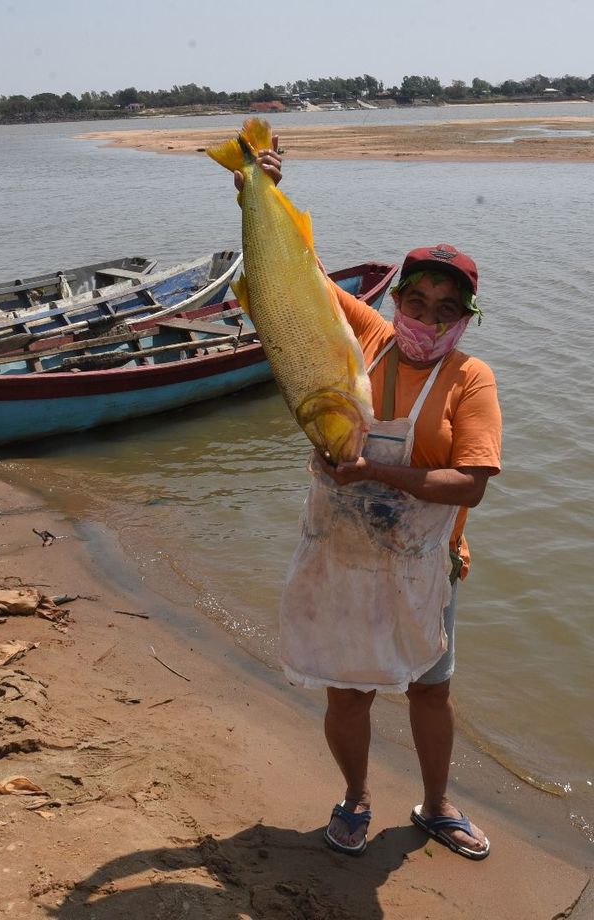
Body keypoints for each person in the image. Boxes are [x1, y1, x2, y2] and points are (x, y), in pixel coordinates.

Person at [235, 143, 502, 862]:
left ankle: (437, 805)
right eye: (416, 301)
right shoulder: (365, 337)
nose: (427, 317)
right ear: (397, 301)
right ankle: (355, 798)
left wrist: (376, 478)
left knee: (429, 693)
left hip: (424, 565)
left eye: (446, 309)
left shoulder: (471, 380)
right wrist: (256, 188)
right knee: (347, 694)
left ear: (465, 318)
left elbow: (471, 483)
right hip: (338, 558)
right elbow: (292, 281)